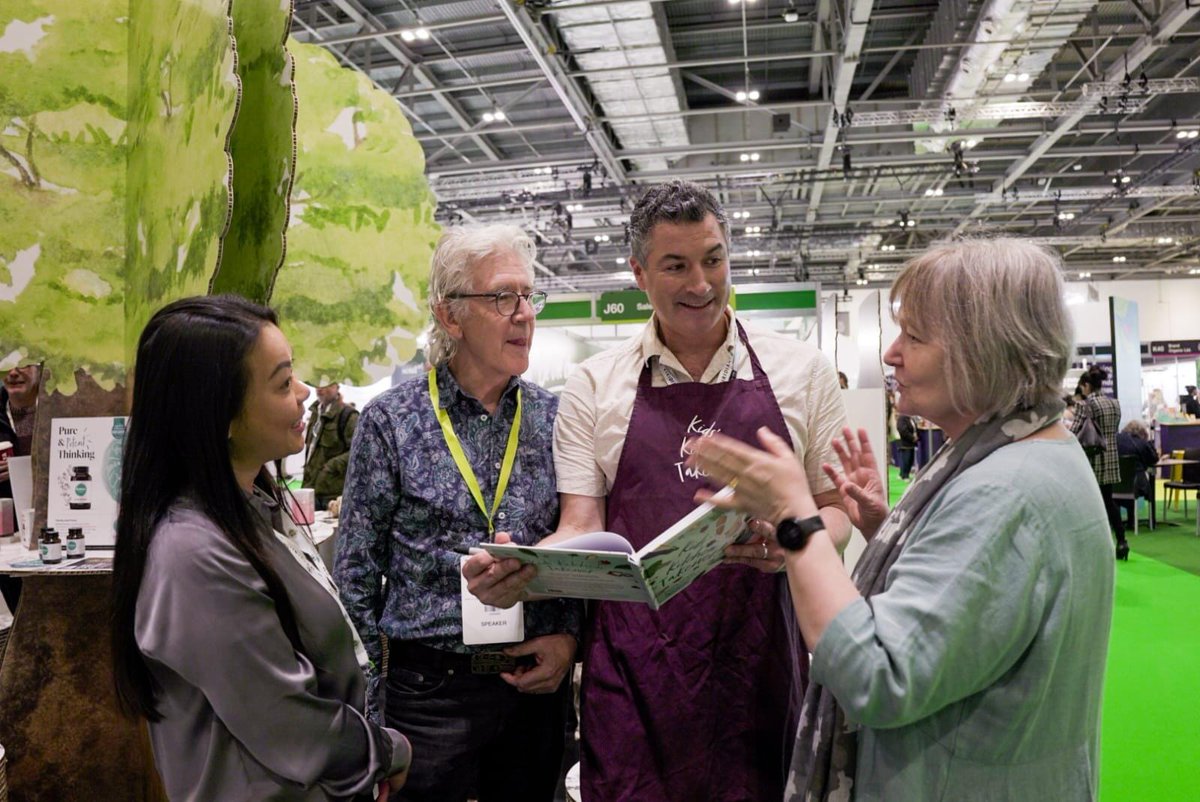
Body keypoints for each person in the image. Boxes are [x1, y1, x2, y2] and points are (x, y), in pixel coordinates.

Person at [687, 238, 1114, 801]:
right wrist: (886, 532)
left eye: (914, 336)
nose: (891, 354)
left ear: (983, 350)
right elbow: (970, 615)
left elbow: (874, 674)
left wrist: (795, 517)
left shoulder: (1003, 491)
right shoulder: (1035, 454)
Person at [465, 180, 851, 801]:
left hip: (762, 667)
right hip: (635, 676)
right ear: (640, 274)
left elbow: (835, 512)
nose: (701, 284)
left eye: (714, 259)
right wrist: (525, 568)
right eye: (676, 266)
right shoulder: (597, 384)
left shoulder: (801, 371)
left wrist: (793, 542)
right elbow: (580, 526)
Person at [110, 295, 410, 802]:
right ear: (221, 414)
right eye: (283, 383)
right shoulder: (194, 551)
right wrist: (385, 751)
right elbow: (286, 720)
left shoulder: (253, 506)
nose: (304, 393)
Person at [335, 224, 580, 802]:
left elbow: (580, 540)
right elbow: (356, 576)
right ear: (450, 316)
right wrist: (370, 722)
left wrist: (571, 638)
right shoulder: (391, 421)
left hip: (534, 690)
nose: (524, 314)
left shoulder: (557, 418)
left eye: (529, 296)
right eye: (502, 297)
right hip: (427, 697)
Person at [1071, 366, 1127, 559]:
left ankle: (1096, 544)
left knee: (1091, 502)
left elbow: (1074, 432)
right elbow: (1114, 429)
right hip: (1111, 456)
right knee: (1108, 500)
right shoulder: (1115, 403)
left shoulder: (1085, 405)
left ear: (1087, 385)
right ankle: (1122, 540)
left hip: (1092, 457)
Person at [1, 362, 40, 612]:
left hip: (57, 525)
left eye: (23, 363)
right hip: (8, 537)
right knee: (22, 613)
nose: (13, 372)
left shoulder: (62, 404)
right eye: (6, 363)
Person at [303, 381, 359, 510]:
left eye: (326, 384)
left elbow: (358, 452)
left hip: (333, 494)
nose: (320, 388)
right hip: (312, 489)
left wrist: (331, 466)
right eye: (318, 383)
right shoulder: (315, 412)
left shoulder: (349, 415)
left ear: (337, 387)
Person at [1117, 419, 1158, 527]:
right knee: (1137, 484)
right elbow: (1153, 459)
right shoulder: (1142, 443)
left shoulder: (1116, 440)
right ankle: (1147, 521)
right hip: (1137, 484)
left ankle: (1117, 522)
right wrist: (1149, 443)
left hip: (1116, 484)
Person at [894, 412, 918, 480]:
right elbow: (902, 430)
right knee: (906, 460)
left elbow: (914, 429)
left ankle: (903, 474)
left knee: (910, 459)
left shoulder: (910, 418)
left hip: (911, 443)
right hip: (904, 443)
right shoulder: (902, 418)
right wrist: (912, 437)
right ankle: (905, 476)